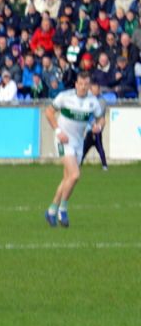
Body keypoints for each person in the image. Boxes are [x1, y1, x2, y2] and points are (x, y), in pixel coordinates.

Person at [44, 72, 106, 228]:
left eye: (86, 84)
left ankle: (51, 211)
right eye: (81, 83)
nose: (83, 87)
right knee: (75, 175)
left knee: (68, 179)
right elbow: (49, 112)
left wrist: (99, 126)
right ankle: (62, 209)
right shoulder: (65, 97)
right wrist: (58, 131)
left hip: (78, 142)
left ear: (89, 85)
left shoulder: (93, 101)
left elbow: (101, 118)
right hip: (63, 140)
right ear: (76, 84)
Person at [79, 84, 109, 171]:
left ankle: (104, 165)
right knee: (85, 147)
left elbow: (98, 114)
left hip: (97, 128)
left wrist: (96, 125)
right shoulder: (89, 100)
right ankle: (79, 163)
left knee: (99, 146)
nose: (93, 91)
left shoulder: (101, 101)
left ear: (99, 90)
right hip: (90, 128)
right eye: (92, 89)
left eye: (95, 89)